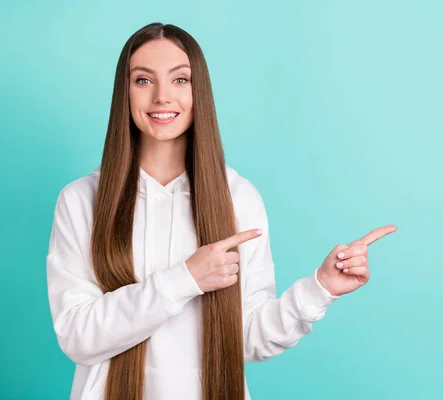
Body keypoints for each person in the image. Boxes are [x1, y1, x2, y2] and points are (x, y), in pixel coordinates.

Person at [45, 22, 397, 400]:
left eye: (180, 80)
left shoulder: (239, 198)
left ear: (200, 91)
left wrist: (321, 288)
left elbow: (248, 339)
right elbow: (77, 336)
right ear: (124, 93)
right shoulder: (82, 200)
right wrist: (186, 278)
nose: (162, 96)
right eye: (143, 81)